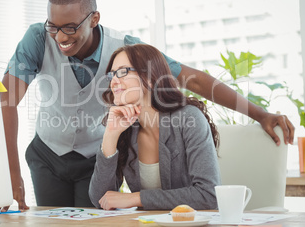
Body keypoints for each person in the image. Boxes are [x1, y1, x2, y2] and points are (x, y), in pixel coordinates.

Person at [0, 0, 294, 211]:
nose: (61, 37)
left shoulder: (127, 51)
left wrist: (260, 113)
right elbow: (6, 99)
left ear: (94, 18)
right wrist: (10, 174)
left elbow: (197, 81)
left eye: (70, 27)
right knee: (52, 223)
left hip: (94, 154)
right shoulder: (38, 38)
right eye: (54, 27)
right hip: (48, 152)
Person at [89, 44, 221, 210]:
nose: (114, 81)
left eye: (122, 72)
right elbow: (100, 199)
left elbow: (208, 195)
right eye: (112, 74)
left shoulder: (188, 118)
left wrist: (137, 198)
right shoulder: (125, 127)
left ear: (150, 78)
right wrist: (110, 135)